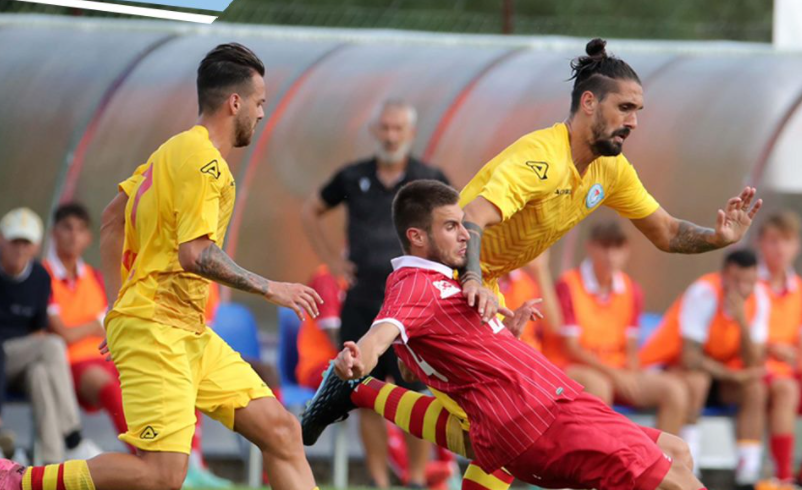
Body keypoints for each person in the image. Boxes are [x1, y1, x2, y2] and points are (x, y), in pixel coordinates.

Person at [303, 38, 762, 490]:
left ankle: (360, 390)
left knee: (500, 431)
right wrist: (476, 281)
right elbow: (474, 217)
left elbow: (666, 232)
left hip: (481, 288)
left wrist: (716, 237)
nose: (635, 122)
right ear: (588, 103)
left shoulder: (610, 170)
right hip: (448, 285)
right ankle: (360, 389)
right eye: (625, 108)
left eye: (638, 110)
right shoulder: (541, 156)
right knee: (501, 428)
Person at [0, 43, 322, 490]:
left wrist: (117, 307)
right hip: (157, 330)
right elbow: (197, 253)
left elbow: (113, 219)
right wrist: (272, 288)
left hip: (186, 330)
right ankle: (17, 480)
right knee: (161, 475)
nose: (262, 114)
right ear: (235, 103)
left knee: (282, 432)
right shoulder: (205, 164)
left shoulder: (172, 149)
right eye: (260, 103)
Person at [330, 179, 705, 490]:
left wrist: (504, 334)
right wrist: (357, 360)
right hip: (536, 420)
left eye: (464, 224)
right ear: (417, 236)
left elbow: (417, 364)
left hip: (556, 400)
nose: (467, 235)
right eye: (451, 227)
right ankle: (359, 388)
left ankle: (360, 391)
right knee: (673, 481)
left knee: (678, 453)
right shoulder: (414, 284)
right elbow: (382, 334)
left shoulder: (453, 282)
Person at [301, 98, 449, 488]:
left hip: (413, 301)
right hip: (364, 296)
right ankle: (380, 481)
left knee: (416, 388)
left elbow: (454, 226)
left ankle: (415, 479)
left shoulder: (427, 179)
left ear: (411, 134)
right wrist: (332, 261)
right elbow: (310, 210)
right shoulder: (353, 177)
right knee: (363, 388)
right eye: (384, 128)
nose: (390, 135)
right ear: (374, 132)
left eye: (398, 128)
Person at [542, 220, 687, 434]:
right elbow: (570, 348)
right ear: (590, 247)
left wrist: (634, 374)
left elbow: (630, 347)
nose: (611, 255)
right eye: (605, 247)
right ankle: (600, 458)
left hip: (614, 369)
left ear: (626, 250)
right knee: (599, 387)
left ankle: (667, 460)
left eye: (617, 248)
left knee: (675, 390)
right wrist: (615, 374)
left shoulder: (631, 289)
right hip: (572, 367)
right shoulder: (569, 284)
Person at [639, 250, 769, 489]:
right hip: (668, 366)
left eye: (749, 282)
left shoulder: (760, 298)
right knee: (697, 381)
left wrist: (741, 320)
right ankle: (690, 462)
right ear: (724, 276)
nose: (743, 288)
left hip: (716, 376)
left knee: (755, 389)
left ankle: (747, 472)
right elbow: (690, 357)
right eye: (737, 281)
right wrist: (732, 375)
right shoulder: (704, 293)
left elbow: (754, 361)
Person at [0, 207, 101, 465]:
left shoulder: (39, 278)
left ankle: (52, 463)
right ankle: (74, 438)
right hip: (5, 353)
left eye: (26, 242)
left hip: (19, 360)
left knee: (40, 375)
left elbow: (37, 327)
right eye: (14, 241)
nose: (20, 249)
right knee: (53, 346)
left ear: (35, 246)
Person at [44, 203, 128, 448]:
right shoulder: (44, 275)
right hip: (71, 363)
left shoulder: (97, 277)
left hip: (107, 358)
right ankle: (146, 458)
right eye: (67, 228)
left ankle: (188, 459)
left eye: (80, 229)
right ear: (54, 232)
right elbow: (64, 334)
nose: (73, 235)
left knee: (161, 384)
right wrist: (94, 325)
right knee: (113, 391)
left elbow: (111, 324)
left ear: (89, 238)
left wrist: (85, 328)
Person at [755, 211, 802, 488]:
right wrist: (774, 348)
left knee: (788, 385)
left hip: (787, 368)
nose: (780, 248)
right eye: (773, 241)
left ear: (796, 245)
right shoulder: (749, 282)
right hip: (753, 367)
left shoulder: (798, 289)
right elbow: (732, 334)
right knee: (786, 390)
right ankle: (782, 476)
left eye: (786, 241)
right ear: (761, 243)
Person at [296, 266, 344, 391]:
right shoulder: (326, 278)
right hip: (319, 366)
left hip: (344, 363)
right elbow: (336, 340)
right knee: (370, 377)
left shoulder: (366, 279)